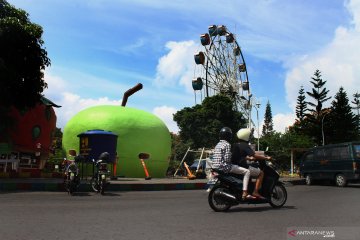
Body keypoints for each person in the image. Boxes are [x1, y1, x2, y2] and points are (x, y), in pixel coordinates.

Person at [212, 127, 255, 200]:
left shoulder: (218, 144)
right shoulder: (227, 144)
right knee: (247, 172)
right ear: (228, 136)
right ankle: (245, 192)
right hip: (224, 167)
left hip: (215, 167)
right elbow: (227, 159)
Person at [232, 128, 271, 199]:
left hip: (235, 166)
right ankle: (255, 191)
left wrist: (249, 158)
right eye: (249, 136)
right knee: (261, 173)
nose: (250, 138)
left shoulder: (235, 145)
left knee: (252, 168)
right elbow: (254, 155)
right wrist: (266, 158)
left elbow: (239, 156)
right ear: (246, 136)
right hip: (242, 166)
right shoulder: (245, 145)